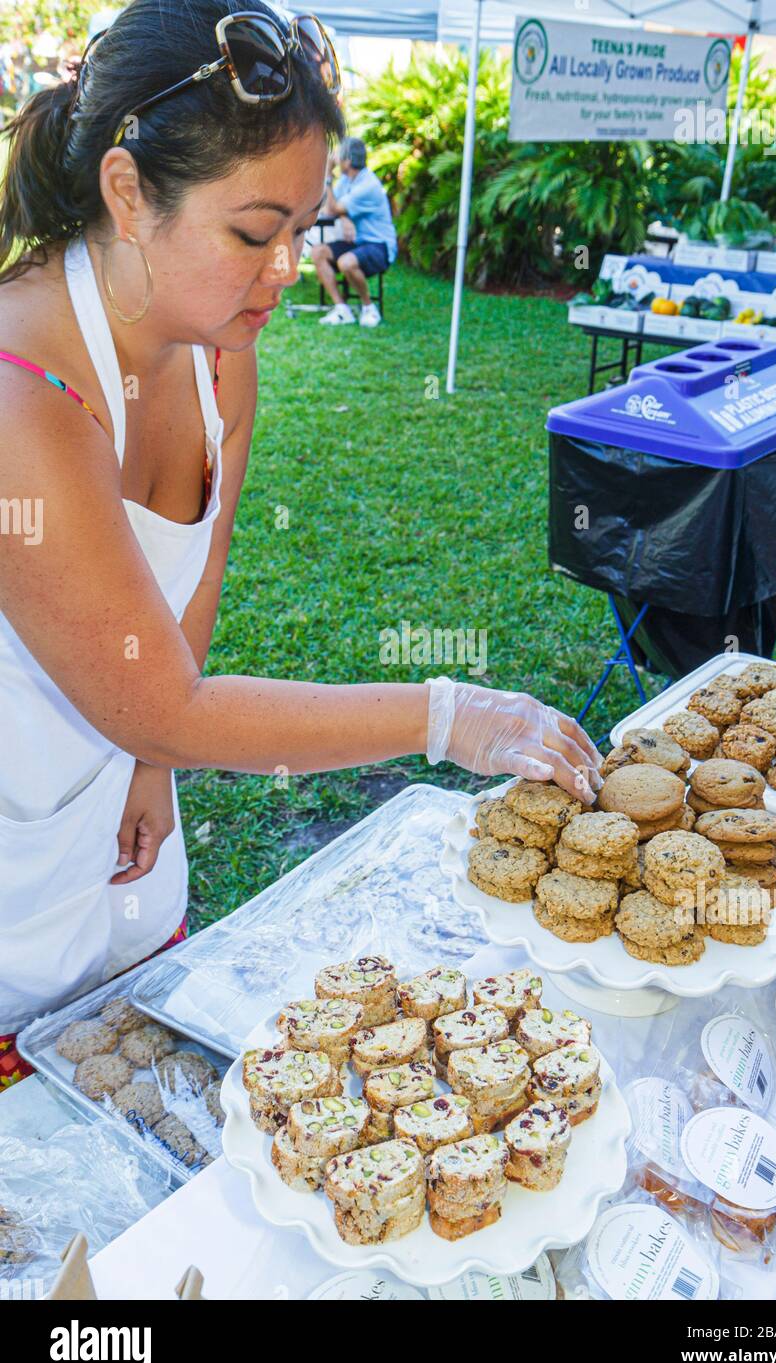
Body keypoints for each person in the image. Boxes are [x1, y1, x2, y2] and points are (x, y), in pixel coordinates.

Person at [0, 0, 601, 1087]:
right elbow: (165, 700)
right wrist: (447, 714)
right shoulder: (21, 400)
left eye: (301, 227)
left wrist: (150, 763)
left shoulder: (221, 354)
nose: (286, 269)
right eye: (252, 231)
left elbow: (187, 594)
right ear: (128, 194)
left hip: (125, 836)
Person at [311, 135, 396, 328]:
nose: (335, 160)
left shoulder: (368, 185)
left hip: (379, 245)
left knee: (346, 262)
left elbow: (332, 208)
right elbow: (327, 206)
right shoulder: (348, 180)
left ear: (348, 161)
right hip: (358, 242)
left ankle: (368, 308)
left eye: (339, 156)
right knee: (318, 252)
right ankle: (342, 309)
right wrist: (344, 217)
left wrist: (327, 177)